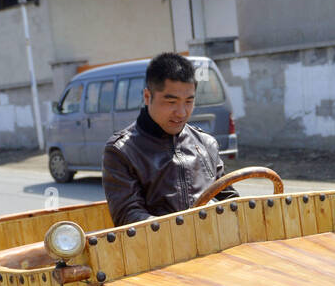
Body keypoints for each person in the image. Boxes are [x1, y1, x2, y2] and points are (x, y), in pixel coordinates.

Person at [102, 53, 238, 226]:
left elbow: (229, 198)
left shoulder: (206, 143)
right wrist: (185, 229)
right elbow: (128, 216)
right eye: (171, 102)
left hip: (214, 245)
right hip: (158, 250)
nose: (181, 112)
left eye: (189, 101)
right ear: (147, 97)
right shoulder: (121, 151)